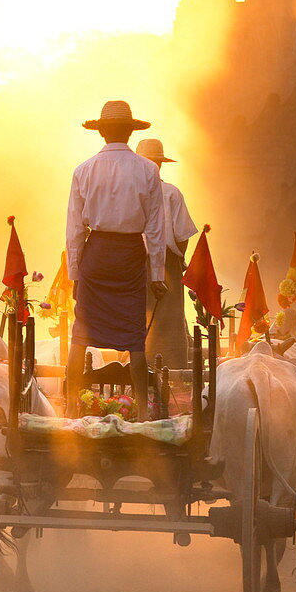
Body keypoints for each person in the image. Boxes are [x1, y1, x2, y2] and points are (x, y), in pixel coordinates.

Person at [66, 100, 167, 420]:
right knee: (134, 335)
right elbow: (155, 229)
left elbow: (74, 229)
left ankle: (70, 407)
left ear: (103, 132)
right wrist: (156, 274)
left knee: (80, 334)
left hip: (96, 255)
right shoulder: (148, 169)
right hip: (129, 256)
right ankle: (140, 412)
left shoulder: (83, 170)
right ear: (128, 131)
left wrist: (75, 275)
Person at [136, 138, 198, 368]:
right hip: (166, 261)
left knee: (138, 318)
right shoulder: (171, 193)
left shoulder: (127, 192)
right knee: (167, 321)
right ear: (160, 165)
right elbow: (182, 236)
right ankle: (171, 372)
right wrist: (178, 259)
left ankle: (136, 366)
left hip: (134, 261)